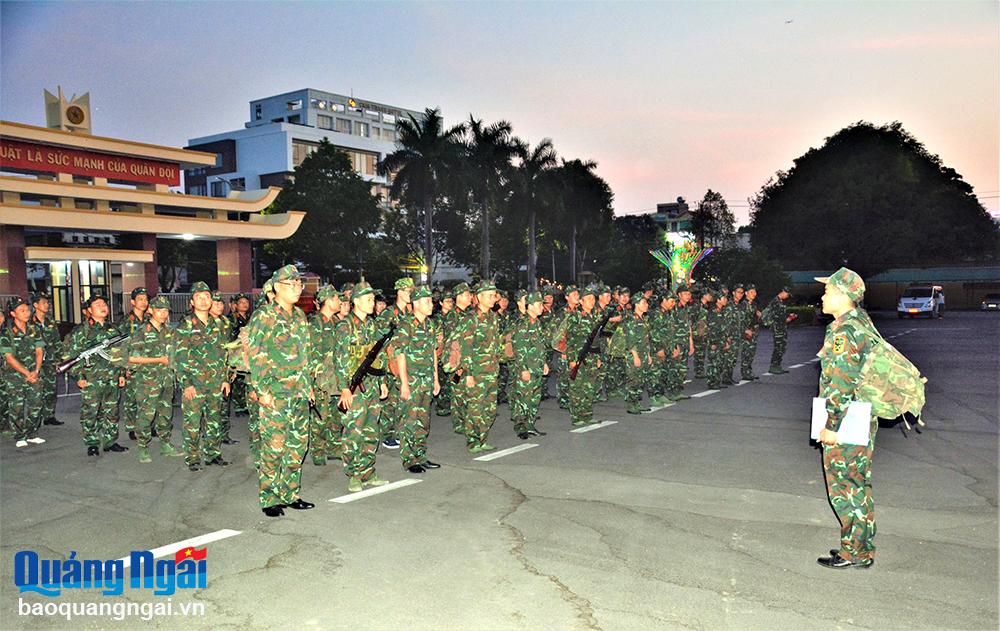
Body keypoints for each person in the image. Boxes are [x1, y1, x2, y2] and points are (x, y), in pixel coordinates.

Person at [814, 267, 878, 570]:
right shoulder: (860, 323)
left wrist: (831, 425)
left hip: (847, 417)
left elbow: (841, 382)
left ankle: (854, 552)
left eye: (828, 291)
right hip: (861, 414)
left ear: (843, 294)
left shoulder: (843, 330)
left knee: (844, 487)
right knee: (858, 485)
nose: (823, 295)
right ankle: (861, 549)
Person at [247, 265, 316, 517]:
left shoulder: (299, 316)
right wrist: (262, 390)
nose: (298, 288)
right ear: (276, 287)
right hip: (275, 393)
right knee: (274, 448)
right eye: (292, 284)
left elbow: (305, 355)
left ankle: (290, 493)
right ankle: (269, 497)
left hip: (298, 393)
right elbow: (256, 354)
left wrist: (308, 386)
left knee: (297, 446)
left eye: (299, 284)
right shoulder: (264, 316)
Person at [332, 281, 390, 492]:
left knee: (371, 430)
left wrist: (383, 381)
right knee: (354, 431)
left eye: (373, 299)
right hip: (354, 388)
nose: (372, 303)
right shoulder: (344, 326)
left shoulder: (372, 325)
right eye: (368, 299)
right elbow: (339, 360)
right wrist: (345, 388)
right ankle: (353, 474)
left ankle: (368, 471)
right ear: (356, 301)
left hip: (372, 385)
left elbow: (380, 355)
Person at [174, 282, 230, 471]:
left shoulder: (219, 324)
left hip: (215, 382)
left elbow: (224, 354)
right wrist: (186, 384)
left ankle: (213, 454)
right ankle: (193, 458)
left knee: (214, 420)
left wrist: (225, 379)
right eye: (199, 297)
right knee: (193, 422)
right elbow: (179, 357)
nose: (204, 300)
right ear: (192, 302)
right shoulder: (186, 325)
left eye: (207, 296)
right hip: (195, 384)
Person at [63, 295, 128, 456]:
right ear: (89, 310)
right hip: (91, 379)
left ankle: (110, 441)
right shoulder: (82, 331)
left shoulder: (113, 329)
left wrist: (121, 374)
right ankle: (92, 442)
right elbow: (69, 356)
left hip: (112, 377)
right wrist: (79, 376)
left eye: (104, 303)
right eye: (97, 304)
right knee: (91, 412)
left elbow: (120, 354)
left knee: (112, 411)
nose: (103, 306)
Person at [444, 280, 502, 453]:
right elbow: (465, 347)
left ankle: (483, 438)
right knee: (475, 409)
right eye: (490, 295)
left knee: (490, 409)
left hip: (491, 371)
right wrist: (467, 374)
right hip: (475, 372)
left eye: (494, 295)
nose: (494, 298)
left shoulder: (493, 317)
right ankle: (473, 441)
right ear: (480, 297)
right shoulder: (471, 319)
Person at [126, 295, 183, 462]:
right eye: (159, 310)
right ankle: (143, 447)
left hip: (166, 380)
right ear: (151, 311)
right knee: (146, 415)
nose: (163, 314)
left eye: (166, 310)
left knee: (166, 414)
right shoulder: (141, 332)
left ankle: (165, 443)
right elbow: (132, 358)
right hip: (147, 382)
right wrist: (158, 360)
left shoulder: (170, 332)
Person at [392, 285, 441, 472]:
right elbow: (400, 355)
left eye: (431, 301)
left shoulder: (430, 325)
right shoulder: (406, 325)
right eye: (427, 301)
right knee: (409, 421)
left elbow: (433, 353)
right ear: (416, 303)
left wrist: (436, 379)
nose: (431, 304)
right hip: (411, 381)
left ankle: (421, 455)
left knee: (423, 421)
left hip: (426, 380)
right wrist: (404, 383)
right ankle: (409, 460)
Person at [2, 297, 45, 447]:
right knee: (17, 406)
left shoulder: (35, 329)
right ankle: (20, 435)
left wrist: (36, 370)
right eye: (22, 310)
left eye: (27, 309)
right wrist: (27, 373)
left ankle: (32, 432)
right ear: (13, 313)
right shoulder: (6, 332)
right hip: (15, 376)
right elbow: (9, 358)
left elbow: (40, 351)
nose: (26, 313)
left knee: (37, 404)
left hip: (35, 373)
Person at [377, 277, 414, 450]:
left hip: (405, 362)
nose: (409, 295)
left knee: (402, 400)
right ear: (399, 291)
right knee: (390, 402)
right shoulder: (389, 314)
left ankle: (400, 431)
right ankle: (386, 435)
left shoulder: (409, 314)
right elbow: (379, 341)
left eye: (411, 291)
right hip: (390, 363)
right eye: (407, 291)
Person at [506, 292, 549, 438]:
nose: (542, 307)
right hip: (526, 368)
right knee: (523, 399)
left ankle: (530, 425)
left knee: (534, 399)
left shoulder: (536, 322)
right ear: (530, 306)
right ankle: (521, 427)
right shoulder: (522, 323)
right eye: (539, 304)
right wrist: (523, 369)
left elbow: (540, 346)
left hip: (536, 367)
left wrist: (544, 363)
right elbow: (519, 349)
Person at [308, 284, 343, 466]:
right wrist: (313, 383)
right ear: (328, 301)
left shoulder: (337, 323)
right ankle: (318, 450)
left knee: (336, 415)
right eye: (337, 299)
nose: (340, 302)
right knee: (321, 417)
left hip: (336, 378)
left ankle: (334, 447)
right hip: (321, 380)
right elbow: (311, 355)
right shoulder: (316, 323)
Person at [560, 284, 603, 427]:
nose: (592, 301)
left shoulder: (595, 316)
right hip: (578, 357)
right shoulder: (575, 316)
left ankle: (587, 415)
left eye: (593, 298)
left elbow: (596, 341)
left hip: (591, 357)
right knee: (577, 388)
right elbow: (570, 339)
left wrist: (598, 358)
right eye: (588, 298)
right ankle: (577, 416)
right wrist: (572, 359)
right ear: (581, 301)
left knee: (589, 387)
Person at [118, 287, 149, 441]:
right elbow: (121, 347)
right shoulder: (125, 321)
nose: (144, 302)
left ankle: (146, 425)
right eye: (140, 299)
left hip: (148, 365)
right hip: (132, 365)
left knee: (148, 397)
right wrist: (124, 369)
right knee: (132, 398)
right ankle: (132, 427)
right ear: (132, 302)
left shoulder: (149, 320)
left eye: (145, 299)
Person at [31, 292, 63, 427]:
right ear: (35, 305)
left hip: (50, 361)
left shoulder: (51, 322)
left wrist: (58, 359)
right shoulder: (29, 323)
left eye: (47, 302)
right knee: (36, 391)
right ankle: (34, 420)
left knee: (51, 390)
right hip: (34, 362)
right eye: (43, 302)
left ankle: (49, 416)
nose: (47, 305)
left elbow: (57, 341)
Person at [621, 293, 655, 414]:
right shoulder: (631, 319)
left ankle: (637, 402)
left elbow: (646, 339)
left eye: (646, 302)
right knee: (633, 379)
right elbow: (630, 340)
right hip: (634, 354)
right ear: (636, 304)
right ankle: (631, 404)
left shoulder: (644, 319)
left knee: (641, 379)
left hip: (644, 353)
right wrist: (635, 356)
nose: (646, 305)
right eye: (644, 303)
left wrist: (649, 355)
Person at [763, 287, 792, 374]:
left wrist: (789, 318)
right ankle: (774, 366)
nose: (787, 296)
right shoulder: (776, 302)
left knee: (781, 348)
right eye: (787, 294)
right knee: (778, 348)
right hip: (778, 329)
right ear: (783, 292)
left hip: (781, 328)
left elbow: (781, 317)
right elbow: (778, 318)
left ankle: (777, 366)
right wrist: (788, 319)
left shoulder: (779, 302)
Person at [741, 284, 763, 380]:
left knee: (751, 353)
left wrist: (758, 316)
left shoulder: (754, 304)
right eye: (751, 292)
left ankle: (749, 371)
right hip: (746, 333)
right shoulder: (743, 305)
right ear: (746, 293)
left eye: (754, 292)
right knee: (746, 352)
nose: (754, 294)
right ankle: (745, 373)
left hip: (754, 332)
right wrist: (745, 330)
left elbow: (754, 319)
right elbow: (740, 320)